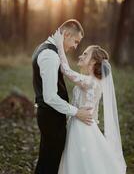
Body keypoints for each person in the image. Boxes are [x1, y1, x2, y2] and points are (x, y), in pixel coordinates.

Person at [53, 30, 127, 174]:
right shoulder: (90, 81)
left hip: (82, 129)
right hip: (78, 125)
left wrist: (59, 45)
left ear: (93, 61)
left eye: (85, 54)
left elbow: (66, 70)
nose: (81, 55)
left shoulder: (91, 82)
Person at [32, 19, 93, 174]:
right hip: (51, 117)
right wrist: (76, 112)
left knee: (46, 160)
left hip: (49, 116)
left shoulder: (44, 48)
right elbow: (50, 97)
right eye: (76, 41)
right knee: (51, 164)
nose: (75, 47)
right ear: (66, 34)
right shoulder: (50, 55)